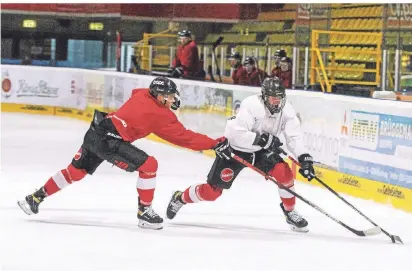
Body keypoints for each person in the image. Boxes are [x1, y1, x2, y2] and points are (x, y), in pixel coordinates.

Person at [17, 77, 229, 230]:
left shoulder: (141, 93)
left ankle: (34, 198)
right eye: (170, 96)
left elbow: (136, 96)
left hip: (97, 129)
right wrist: (213, 143)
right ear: (159, 96)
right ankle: (144, 212)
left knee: (75, 172)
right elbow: (185, 138)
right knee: (149, 166)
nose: (173, 99)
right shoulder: (161, 116)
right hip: (111, 140)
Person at [166, 77, 315, 232]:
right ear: (264, 97)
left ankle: (290, 212)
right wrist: (261, 139)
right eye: (273, 98)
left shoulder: (287, 110)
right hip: (234, 149)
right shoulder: (252, 105)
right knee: (212, 193)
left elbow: (294, 137)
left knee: (285, 174)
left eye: (280, 98)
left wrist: (304, 158)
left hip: (259, 151)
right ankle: (180, 198)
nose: (277, 102)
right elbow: (235, 134)